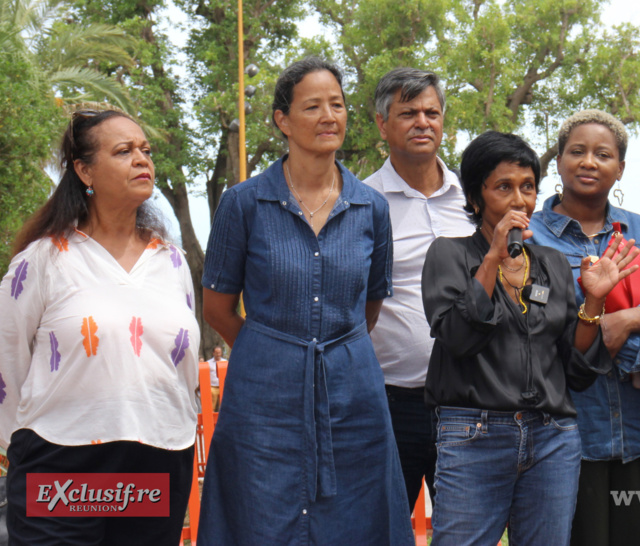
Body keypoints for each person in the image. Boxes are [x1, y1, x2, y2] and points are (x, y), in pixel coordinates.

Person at [197, 57, 412, 544]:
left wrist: (327, 348)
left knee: (355, 518)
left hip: (353, 392)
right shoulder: (243, 203)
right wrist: (274, 349)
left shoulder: (371, 207)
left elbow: (369, 307)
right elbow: (217, 309)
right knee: (259, 514)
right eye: (312, 106)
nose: (328, 116)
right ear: (282, 120)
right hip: (262, 397)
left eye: (336, 105)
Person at [422, 131, 640, 545]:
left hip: (552, 437)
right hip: (474, 436)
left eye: (527, 188)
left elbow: (575, 370)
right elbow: (457, 338)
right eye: (504, 187)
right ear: (475, 198)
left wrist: (593, 302)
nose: (519, 200)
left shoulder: (553, 264)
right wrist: (492, 260)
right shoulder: (448, 255)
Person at [0, 109, 200, 544]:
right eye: (124, 151)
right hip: (62, 465)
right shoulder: (45, 260)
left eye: (145, 150)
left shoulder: (171, 262)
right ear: (84, 170)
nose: (142, 160)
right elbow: (7, 360)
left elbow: (181, 369)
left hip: (157, 461)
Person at [529, 109, 640, 546]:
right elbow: (553, 327)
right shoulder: (535, 236)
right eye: (576, 152)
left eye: (603, 154)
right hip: (570, 435)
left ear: (621, 168)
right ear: (558, 161)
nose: (589, 162)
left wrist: (625, 319)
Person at [363, 67, 474, 510]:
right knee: (380, 530)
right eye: (408, 113)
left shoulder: (474, 199)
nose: (422, 122)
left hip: (470, 403)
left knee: (467, 533)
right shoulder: (360, 202)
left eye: (432, 112)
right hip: (390, 403)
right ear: (382, 123)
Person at [206, 345, 227, 411]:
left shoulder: (225, 362)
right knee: (212, 406)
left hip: (223, 387)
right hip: (212, 387)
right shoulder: (208, 363)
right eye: (216, 353)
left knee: (223, 406)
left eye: (219, 352)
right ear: (213, 353)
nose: (218, 354)